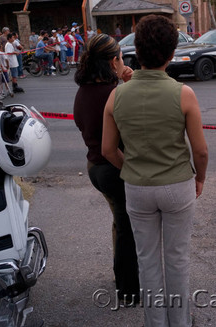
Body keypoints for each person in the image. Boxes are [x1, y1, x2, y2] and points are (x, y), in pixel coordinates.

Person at [102, 15, 208, 327]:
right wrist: (199, 178)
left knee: (147, 260)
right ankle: (180, 325)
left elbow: (109, 150)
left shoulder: (117, 96)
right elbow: (200, 151)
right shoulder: (184, 93)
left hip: (137, 187)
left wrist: (132, 168)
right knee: (177, 258)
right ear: (172, 54)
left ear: (137, 51)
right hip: (177, 185)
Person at [74, 33, 140, 308]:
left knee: (120, 223)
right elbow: (133, 131)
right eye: (121, 57)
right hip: (114, 168)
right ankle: (128, 290)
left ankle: (123, 277)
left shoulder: (85, 91)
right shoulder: (114, 94)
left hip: (95, 167)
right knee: (128, 229)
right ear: (114, 61)